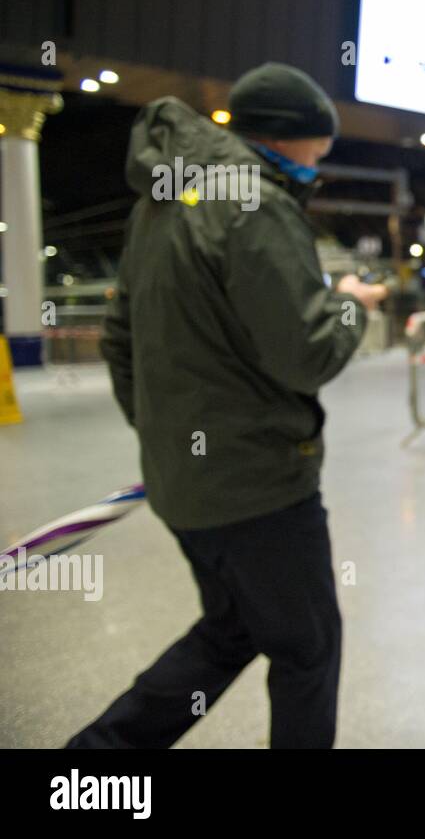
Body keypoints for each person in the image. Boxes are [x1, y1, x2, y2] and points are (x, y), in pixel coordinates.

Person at [70, 63, 386, 749]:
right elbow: (306, 352)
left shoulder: (158, 201)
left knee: (232, 630)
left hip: (187, 485)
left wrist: (166, 436)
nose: (320, 160)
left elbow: (118, 342)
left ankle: (92, 764)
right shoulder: (257, 203)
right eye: (317, 146)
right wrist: (351, 308)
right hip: (260, 487)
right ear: (285, 137)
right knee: (307, 649)